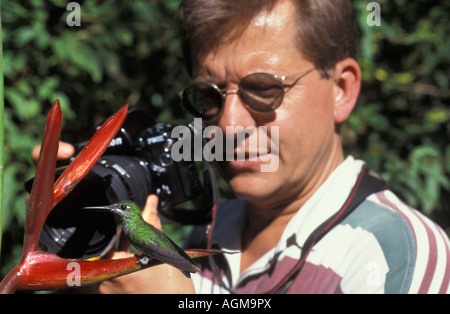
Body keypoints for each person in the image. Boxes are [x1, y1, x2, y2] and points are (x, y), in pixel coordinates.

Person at [33, 0, 450, 294]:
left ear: (341, 89)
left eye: (264, 90)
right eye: (210, 97)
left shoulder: (397, 252)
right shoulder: (203, 230)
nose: (228, 125)